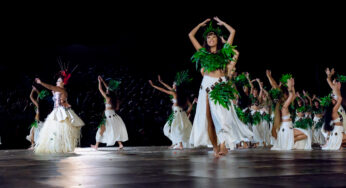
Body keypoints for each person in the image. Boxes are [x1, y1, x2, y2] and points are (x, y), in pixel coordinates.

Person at [34, 69, 84, 153]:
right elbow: (59, 99)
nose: (57, 82)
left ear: (63, 83)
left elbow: (50, 87)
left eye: (59, 81)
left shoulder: (61, 89)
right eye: (57, 81)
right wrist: (55, 95)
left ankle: (60, 147)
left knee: (59, 130)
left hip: (60, 112)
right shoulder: (59, 91)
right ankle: (57, 147)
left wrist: (41, 83)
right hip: (56, 111)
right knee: (54, 131)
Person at [149, 71, 193, 149]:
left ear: (175, 86)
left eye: (173, 84)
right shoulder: (180, 94)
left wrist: (154, 86)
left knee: (175, 128)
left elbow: (163, 90)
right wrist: (161, 82)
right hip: (179, 113)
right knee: (170, 128)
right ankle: (176, 142)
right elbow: (168, 87)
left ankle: (180, 145)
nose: (172, 85)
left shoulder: (174, 94)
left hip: (177, 113)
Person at [91, 76, 128, 150]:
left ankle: (96, 146)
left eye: (107, 90)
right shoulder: (115, 99)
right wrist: (103, 80)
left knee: (101, 130)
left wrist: (99, 82)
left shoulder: (107, 98)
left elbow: (100, 89)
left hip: (108, 117)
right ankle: (120, 144)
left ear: (109, 92)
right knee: (113, 130)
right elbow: (117, 108)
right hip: (114, 116)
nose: (106, 90)